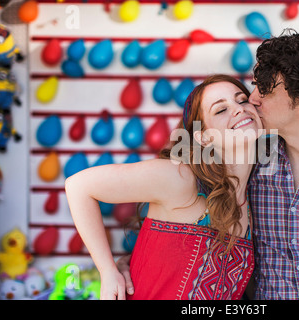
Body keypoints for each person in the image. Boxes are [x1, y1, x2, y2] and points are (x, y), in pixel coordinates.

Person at [118, 30, 299, 300]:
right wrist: (126, 263)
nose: (251, 100)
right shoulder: (247, 158)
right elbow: (182, 214)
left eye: (265, 90)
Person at [65, 74, 263, 300]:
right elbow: (78, 186)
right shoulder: (180, 177)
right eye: (220, 110)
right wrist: (108, 271)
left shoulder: (252, 200)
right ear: (204, 138)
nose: (239, 109)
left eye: (242, 100)